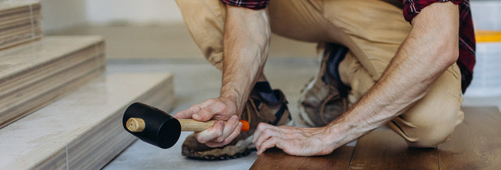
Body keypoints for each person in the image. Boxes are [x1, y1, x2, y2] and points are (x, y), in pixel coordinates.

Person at [173, 0, 475, 159]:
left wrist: (330, 135)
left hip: (384, 11)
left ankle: (340, 66)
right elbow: (245, 14)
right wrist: (233, 97)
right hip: (298, 6)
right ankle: (259, 100)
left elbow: (437, 40)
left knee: (431, 120)